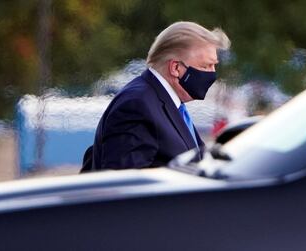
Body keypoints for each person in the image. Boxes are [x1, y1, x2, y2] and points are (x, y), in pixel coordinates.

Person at [81, 21, 230, 172]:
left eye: (214, 65)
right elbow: (127, 186)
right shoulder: (137, 105)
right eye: (206, 66)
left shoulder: (166, 102)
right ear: (175, 68)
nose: (212, 73)